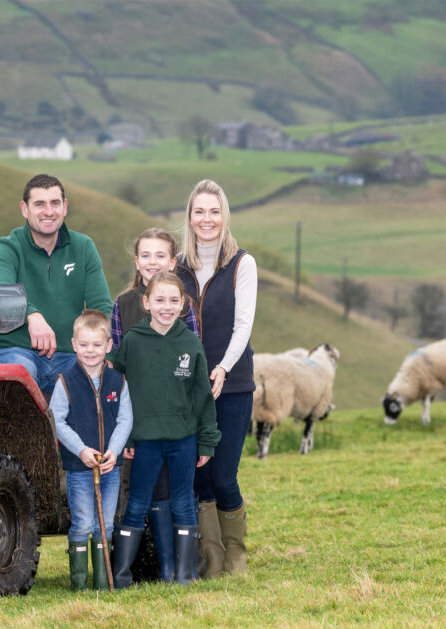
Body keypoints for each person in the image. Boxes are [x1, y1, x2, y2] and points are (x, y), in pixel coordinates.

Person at [110, 271, 220, 587]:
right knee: (138, 503)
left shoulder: (190, 343)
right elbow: (121, 392)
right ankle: (122, 576)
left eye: (174, 300)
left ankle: (185, 575)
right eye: (160, 300)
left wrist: (206, 442)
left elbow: (202, 395)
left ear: (184, 305)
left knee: (184, 502)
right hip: (145, 440)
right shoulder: (132, 341)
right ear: (147, 303)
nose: (166, 307)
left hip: (183, 439)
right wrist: (127, 436)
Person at [175, 179, 257, 578]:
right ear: (189, 218)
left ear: (224, 217)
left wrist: (222, 367)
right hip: (189, 387)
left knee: (224, 474)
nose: (206, 219)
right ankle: (213, 560)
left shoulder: (242, 263)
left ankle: (237, 557)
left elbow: (244, 326)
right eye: (199, 211)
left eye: (214, 211)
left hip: (234, 383)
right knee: (199, 476)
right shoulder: (177, 267)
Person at [0, 174, 113, 393]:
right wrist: (32, 315)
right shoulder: (6, 248)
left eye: (55, 203)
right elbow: (0, 293)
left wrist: (108, 354)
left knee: (99, 379)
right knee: (19, 374)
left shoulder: (83, 247)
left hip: (69, 355)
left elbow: (101, 306)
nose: (49, 211)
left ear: (65, 207)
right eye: (39, 204)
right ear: (25, 209)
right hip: (16, 350)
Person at [51, 310, 133, 591]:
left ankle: (102, 583)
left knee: (105, 525)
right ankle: (79, 585)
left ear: (109, 346)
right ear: (74, 344)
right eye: (84, 345)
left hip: (110, 467)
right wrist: (81, 450)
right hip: (79, 467)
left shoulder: (117, 381)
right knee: (83, 523)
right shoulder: (65, 381)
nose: (90, 351)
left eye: (97, 345)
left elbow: (125, 419)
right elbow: (57, 420)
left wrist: (114, 451)